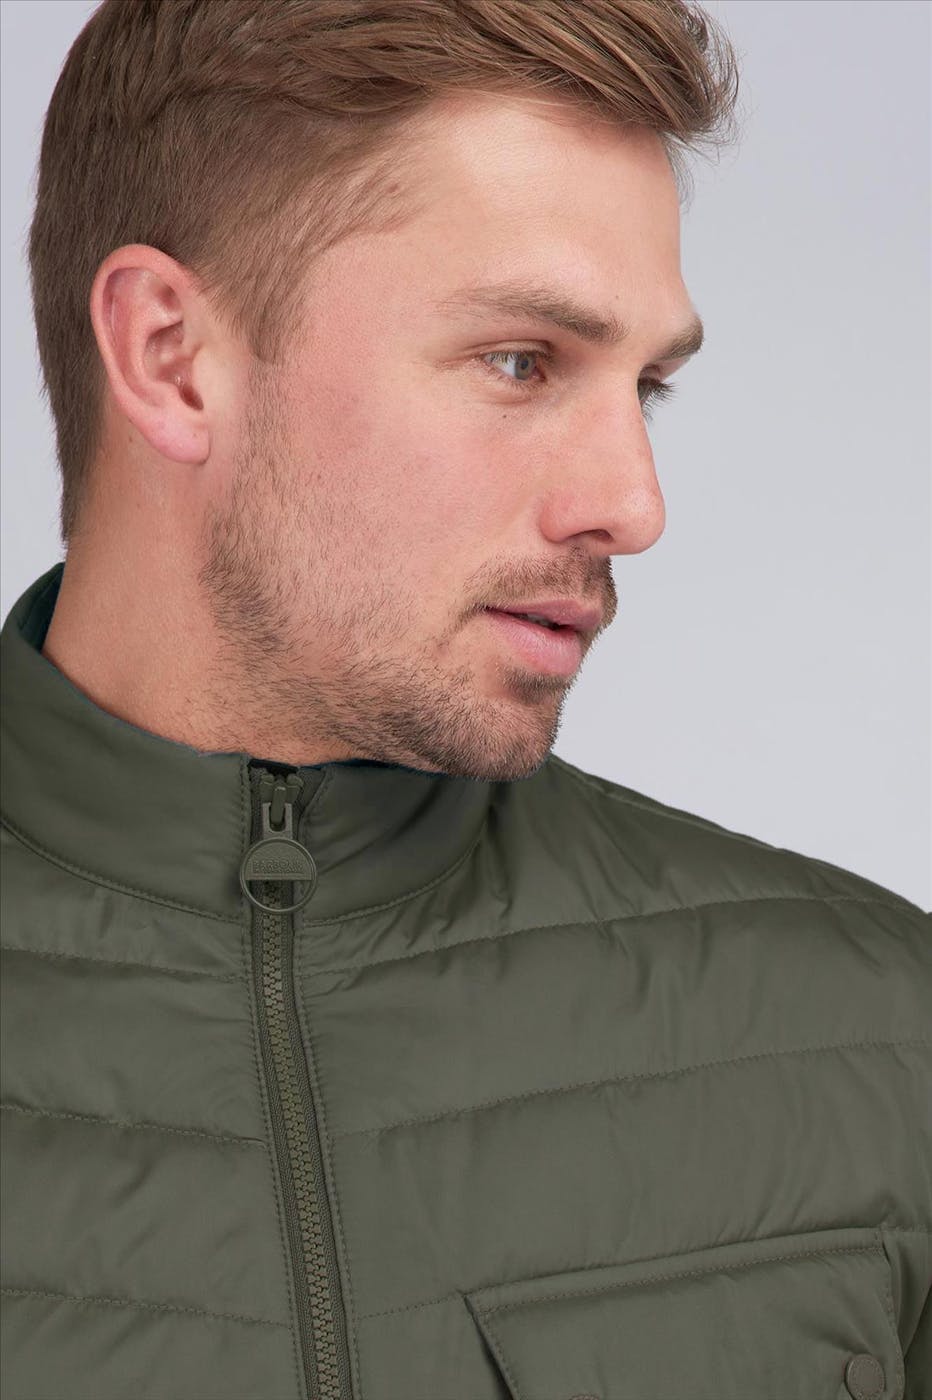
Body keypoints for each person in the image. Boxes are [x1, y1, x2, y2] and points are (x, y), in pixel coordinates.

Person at [1, 2, 928, 1397]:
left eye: (648, 387)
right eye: (521, 362)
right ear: (171, 354)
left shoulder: (880, 1041)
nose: (633, 506)